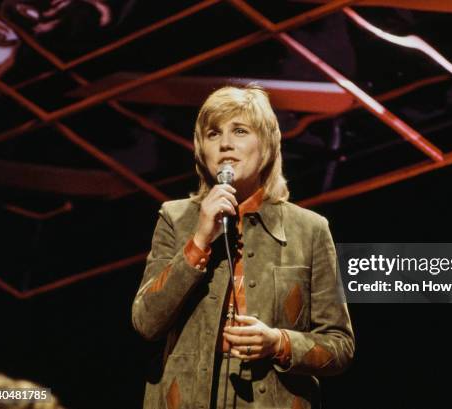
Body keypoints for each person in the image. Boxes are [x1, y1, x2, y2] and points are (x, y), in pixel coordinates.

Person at [131, 85, 354, 409]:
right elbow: (146, 323)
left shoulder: (309, 229)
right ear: (201, 151)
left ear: (265, 146)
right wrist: (198, 241)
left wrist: (278, 342)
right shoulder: (175, 218)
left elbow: (340, 347)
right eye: (212, 133)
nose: (224, 144)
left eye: (239, 130)